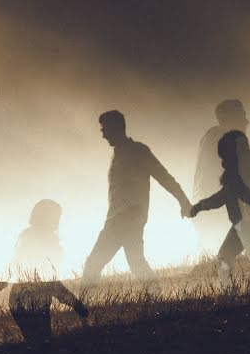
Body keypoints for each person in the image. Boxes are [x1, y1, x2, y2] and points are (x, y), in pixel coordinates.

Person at [82, 110, 192, 283]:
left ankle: (83, 308)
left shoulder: (137, 151)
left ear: (116, 128)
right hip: (126, 216)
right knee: (136, 262)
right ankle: (156, 298)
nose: (102, 134)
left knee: (93, 264)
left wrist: (184, 202)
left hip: (124, 216)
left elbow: (164, 177)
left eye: (105, 129)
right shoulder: (120, 153)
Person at [189, 130, 250, 287]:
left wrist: (199, 206)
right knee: (249, 258)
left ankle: (230, 291)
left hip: (249, 220)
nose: (222, 157)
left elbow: (225, 196)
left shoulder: (241, 166)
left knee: (227, 256)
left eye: (224, 152)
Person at [192, 99, 249, 251]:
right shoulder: (224, 139)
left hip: (207, 205)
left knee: (212, 255)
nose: (247, 121)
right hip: (215, 208)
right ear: (227, 119)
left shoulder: (213, 136)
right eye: (242, 117)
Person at [12, 199, 65, 276]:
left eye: (58, 216)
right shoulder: (33, 235)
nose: (57, 220)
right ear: (43, 215)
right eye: (55, 216)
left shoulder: (27, 234)